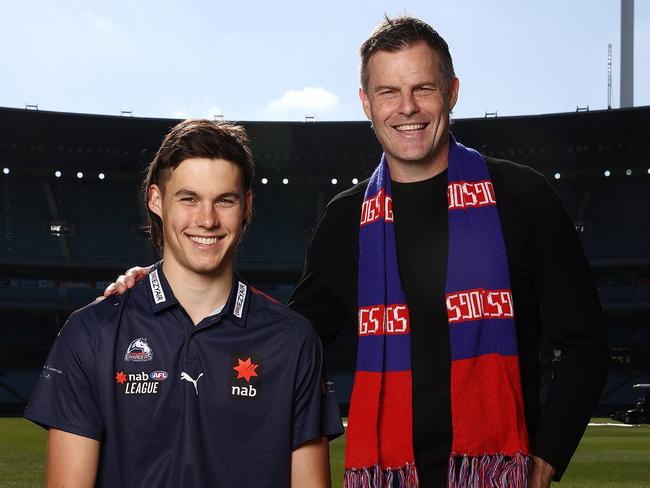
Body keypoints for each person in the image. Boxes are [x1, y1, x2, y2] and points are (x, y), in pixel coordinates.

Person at [106, 17, 608, 488]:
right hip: (385, 473)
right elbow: (290, 339)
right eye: (389, 91)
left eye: (423, 88)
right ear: (367, 102)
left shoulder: (522, 197)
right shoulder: (345, 219)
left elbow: (584, 342)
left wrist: (545, 459)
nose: (406, 108)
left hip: (501, 473)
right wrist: (173, 283)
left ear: (451, 92)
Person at [26, 119, 343, 488]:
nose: (206, 220)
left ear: (247, 206)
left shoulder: (294, 340)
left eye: (224, 200)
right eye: (188, 198)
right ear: (156, 200)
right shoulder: (91, 333)